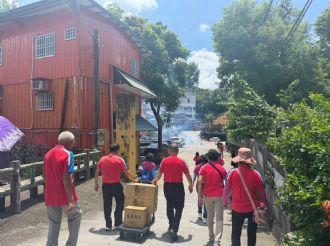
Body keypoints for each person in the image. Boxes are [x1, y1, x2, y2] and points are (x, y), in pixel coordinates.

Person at [43, 131, 82, 246]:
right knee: (75, 217)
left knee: (53, 223)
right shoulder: (68, 154)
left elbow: (44, 176)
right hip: (65, 196)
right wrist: (70, 199)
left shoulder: (48, 154)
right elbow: (67, 177)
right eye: (74, 141)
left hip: (50, 196)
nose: (75, 143)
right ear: (69, 142)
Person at [224, 147, 268, 246]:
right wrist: (265, 204)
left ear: (239, 160)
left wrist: (226, 203)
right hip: (253, 208)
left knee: (236, 232)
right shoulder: (256, 174)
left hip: (237, 208)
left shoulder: (233, 173)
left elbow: (226, 190)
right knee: (252, 233)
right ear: (250, 161)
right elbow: (262, 192)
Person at [152, 144, 193, 241]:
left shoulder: (164, 161)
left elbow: (159, 174)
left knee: (169, 205)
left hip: (167, 186)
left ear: (170, 151)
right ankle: (174, 229)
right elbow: (187, 175)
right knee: (179, 207)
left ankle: (171, 224)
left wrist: (154, 181)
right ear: (177, 151)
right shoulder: (181, 161)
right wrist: (190, 184)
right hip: (178, 187)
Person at [94, 143, 136, 231]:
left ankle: (108, 225)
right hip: (116, 185)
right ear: (117, 150)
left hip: (105, 186)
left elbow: (97, 171)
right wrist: (134, 180)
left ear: (109, 150)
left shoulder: (102, 159)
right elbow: (126, 172)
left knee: (107, 205)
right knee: (120, 203)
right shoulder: (120, 160)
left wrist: (96, 184)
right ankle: (118, 224)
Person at [198, 149, 227, 246]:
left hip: (207, 195)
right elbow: (226, 183)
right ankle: (217, 240)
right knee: (219, 218)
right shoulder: (222, 169)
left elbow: (200, 182)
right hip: (219, 195)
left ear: (208, 157)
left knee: (210, 217)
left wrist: (199, 197)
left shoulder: (203, 168)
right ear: (218, 157)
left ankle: (211, 236)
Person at [192, 154, 208, 223]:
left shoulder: (197, 167)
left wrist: (191, 185)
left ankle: (199, 214)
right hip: (207, 185)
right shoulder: (208, 167)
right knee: (206, 200)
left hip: (198, 185)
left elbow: (194, 177)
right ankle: (205, 217)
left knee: (200, 198)